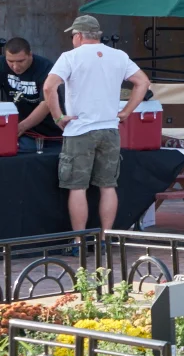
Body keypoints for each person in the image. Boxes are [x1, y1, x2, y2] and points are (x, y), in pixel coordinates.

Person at [43, 16, 151, 231]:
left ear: (79, 35)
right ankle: (105, 238)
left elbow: (49, 87)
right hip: (110, 129)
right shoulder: (119, 56)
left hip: (80, 130)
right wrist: (127, 111)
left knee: (77, 187)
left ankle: (79, 240)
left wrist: (58, 117)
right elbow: (143, 82)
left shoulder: (70, 57)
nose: (72, 39)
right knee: (108, 186)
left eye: (73, 35)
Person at [3, 38, 62, 152]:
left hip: (49, 131)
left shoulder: (45, 67)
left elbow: (46, 103)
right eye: (10, 61)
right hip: (20, 130)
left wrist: (22, 126)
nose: (15, 66)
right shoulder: (1, 64)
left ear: (30, 55)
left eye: (20, 61)